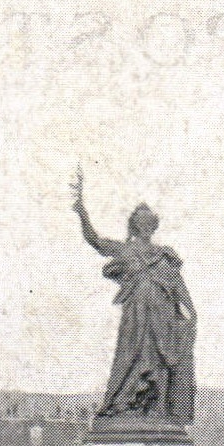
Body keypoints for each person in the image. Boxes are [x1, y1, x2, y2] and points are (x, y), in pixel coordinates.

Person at [71, 172, 198, 426]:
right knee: (129, 357)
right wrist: (82, 213)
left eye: (150, 222)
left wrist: (191, 312)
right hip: (136, 313)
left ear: (153, 226)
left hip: (162, 315)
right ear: (135, 225)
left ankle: (159, 408)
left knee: (162, 360)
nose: (146, 226)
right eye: (141, 222)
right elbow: (95, 241)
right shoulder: (125, 250)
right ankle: (123, 403)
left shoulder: (164, 256)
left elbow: (179, 287)